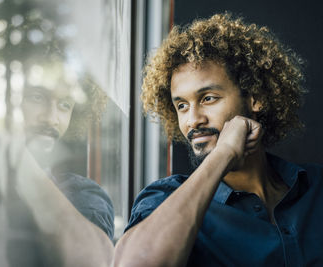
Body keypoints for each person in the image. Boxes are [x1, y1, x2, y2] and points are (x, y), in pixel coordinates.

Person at [113, 13, 323, 266]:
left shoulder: (316, 187)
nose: (193, 120)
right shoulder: (164, 199)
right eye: (181, 105)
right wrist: (224, 154)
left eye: (208, 98)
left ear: (256, 98)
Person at [4, 60, 114, 267]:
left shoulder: (83, 195)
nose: (51, 118)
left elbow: (95, 260)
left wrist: (20, 157)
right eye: (37, 98)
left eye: (65, 105)